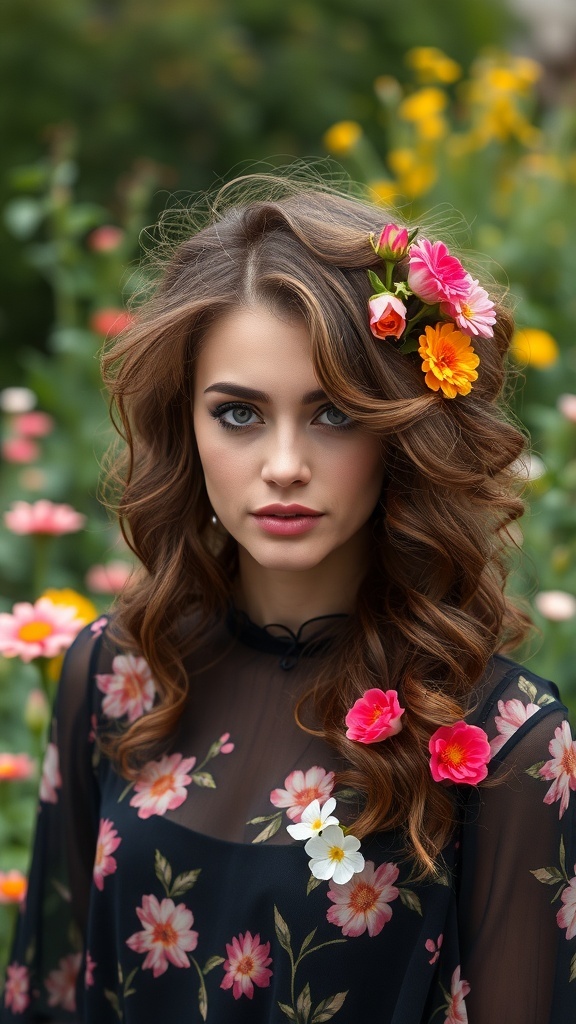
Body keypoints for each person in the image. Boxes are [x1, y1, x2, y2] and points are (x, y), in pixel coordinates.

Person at [1, 174, 575, 1024]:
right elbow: (46, 995)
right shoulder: (118, 677)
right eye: (238, 414)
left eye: (334, 415)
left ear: (402, 427)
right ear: (184, 426)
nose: (282, 465)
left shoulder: (501, 744)